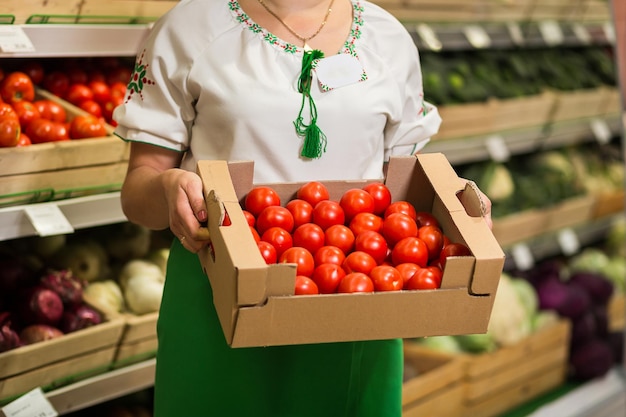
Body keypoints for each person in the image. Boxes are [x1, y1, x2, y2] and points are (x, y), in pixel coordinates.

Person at [114, 0, 493, 416]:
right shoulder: (189, 27)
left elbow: (404, 189)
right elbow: (137, 193)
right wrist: (168, 189)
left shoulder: (388, 38)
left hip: (359, 297)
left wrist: (454, 206)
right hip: (217, 296)